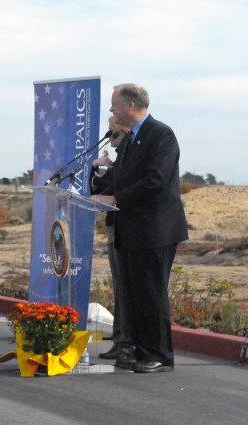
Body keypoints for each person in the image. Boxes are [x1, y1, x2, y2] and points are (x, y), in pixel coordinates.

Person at [91, 83, 188, 373]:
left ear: (131, 105)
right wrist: (98, 182)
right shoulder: (131, 139)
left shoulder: (161, 134)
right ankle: (140, 350)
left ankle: (160, 355)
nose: (111, 110)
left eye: (114, 104)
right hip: (129, 230)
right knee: (133, 295)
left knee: (151, 293)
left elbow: (155, 181)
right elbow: (118, 182)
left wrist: (116, 197)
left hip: (154, 231)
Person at [89, 117, 130, 360]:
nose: (111, 143)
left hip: (131, 229)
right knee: (119, 287)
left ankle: (125, 340)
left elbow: (114, 191)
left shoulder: (129, 159)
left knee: (126, 287)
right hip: (117, 227)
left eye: (114, 136)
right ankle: (120, 339)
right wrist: (95, 166)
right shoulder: (120, 161)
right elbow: (101, 189)